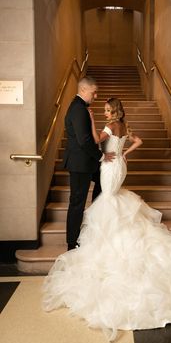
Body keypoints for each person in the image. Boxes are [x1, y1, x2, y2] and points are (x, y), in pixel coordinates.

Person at [43, 98, 171, 341]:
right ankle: (116, 232)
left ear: (114, 111)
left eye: (108, 110)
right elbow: (138, 141)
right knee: (113, 199)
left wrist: (90, 120)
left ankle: (111, 238)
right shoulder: (124, 125)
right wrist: (124, 153)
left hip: (110, 166)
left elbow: (96, 142)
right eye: (104, 111)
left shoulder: (110, 127)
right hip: (119, 163)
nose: (105, 113)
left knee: (108, 200)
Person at [62, 77, 115, 250]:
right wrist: (101, 156)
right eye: (94, 92)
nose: (96, 96)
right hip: (80, 164)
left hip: (86, 163)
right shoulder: (78, 109)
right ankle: (72, 242)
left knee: (102, 183)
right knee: (77, 202)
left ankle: (95, 222)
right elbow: (84, 140)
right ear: (84, 90)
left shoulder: (81, 108)